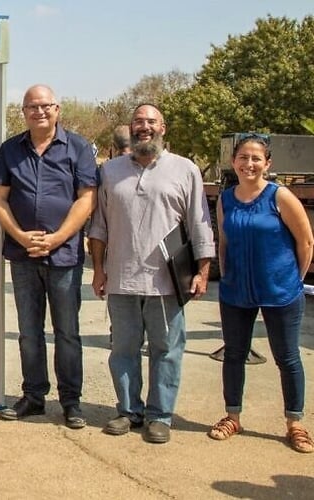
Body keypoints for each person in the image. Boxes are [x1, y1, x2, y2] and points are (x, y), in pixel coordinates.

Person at [88, 103, 215, 444]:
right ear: (131, 129)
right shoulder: (111, 171)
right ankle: (129, 411)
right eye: (138, 122)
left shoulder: (185, 169)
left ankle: (160, 415)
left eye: (150, 122)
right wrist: (98, 269)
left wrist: (202, 270)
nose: (144, 127)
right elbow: (99, 225)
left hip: (167, 281)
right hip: (121, 276)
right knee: (123, 348)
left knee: (167, 348)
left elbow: (199, 223)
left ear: (163, 128)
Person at [0, 85, 98, 429]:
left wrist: (56, 238)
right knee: (28, 332)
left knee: (67, 332)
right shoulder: (10, 150)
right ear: (23, 112)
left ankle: (71, 401)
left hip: (64, 256)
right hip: (23, 257)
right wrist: (20, 236)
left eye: (45, 106)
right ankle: (34, 396)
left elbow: (86, 199)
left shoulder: (78, 148)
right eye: (31, 107)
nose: (39, 111)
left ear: (57, 109)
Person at [206, 134, 314, 453]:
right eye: (243, 157)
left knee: (288, 357)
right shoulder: (226, 199)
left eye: (256, 158)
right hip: (237, 292)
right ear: (233, 162)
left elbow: (305, 242)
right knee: (234, 355)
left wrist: (293, 279)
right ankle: (232, 416)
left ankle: (295, 423)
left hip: (281, 292)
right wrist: (226, 276)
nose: (249, 163)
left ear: (267, 164)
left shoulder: (280, 196)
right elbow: (223, 243)